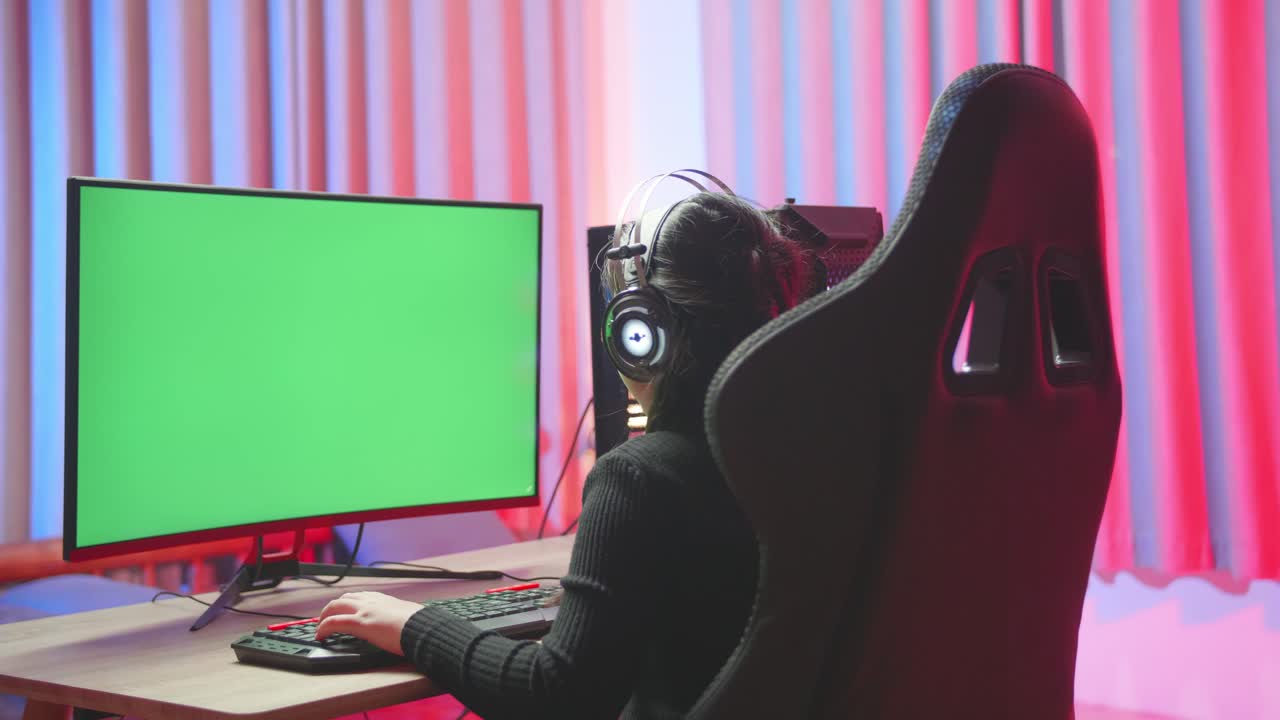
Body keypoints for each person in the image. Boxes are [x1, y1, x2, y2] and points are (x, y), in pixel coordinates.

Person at [315, 186, 814, 719]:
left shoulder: (640, 477)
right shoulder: (810, 456)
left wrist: (411, 624)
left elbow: (556, 694)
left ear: (640, 331)